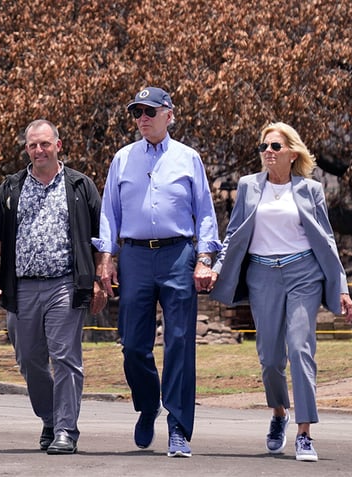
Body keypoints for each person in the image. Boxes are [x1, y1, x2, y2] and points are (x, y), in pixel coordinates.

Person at [208, 122, 352, 462]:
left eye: (275, 147)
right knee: (271, 358)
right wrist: (217, 268)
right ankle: (278, 413)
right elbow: (233, 235)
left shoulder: (310, 189)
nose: (268, 153)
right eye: (263, 147)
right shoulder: (248, 186)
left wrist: (342, 287)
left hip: (303, 272)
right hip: (262, 275)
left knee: (300, 348)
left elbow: (327, 239)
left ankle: (304, 434)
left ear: (292, 153)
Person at [94, 87, 221, 458]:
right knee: (133, 345)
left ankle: (178, 427)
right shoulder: (122, 159)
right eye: (137, 112)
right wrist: (106, 257)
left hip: (178, 254)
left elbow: (206, 213)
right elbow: (109, 213)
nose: (143, 118)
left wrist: (205, 258)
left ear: (169, 114)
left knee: (180, 342)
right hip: (134, 256)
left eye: (150, 111)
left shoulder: (188, 158)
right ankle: (148, 404)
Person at [0, 119, 106, 455]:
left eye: (45, 144)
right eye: (33, 145)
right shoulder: (11, 187)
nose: (39, 150)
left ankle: (65, 429)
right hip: (21, 288)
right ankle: (50, 417)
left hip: (65, 284)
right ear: (27, 149)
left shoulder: (80, 185)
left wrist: (100, 279)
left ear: (58, 145)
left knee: (65, 358)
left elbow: (100, 236)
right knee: (29, 360)